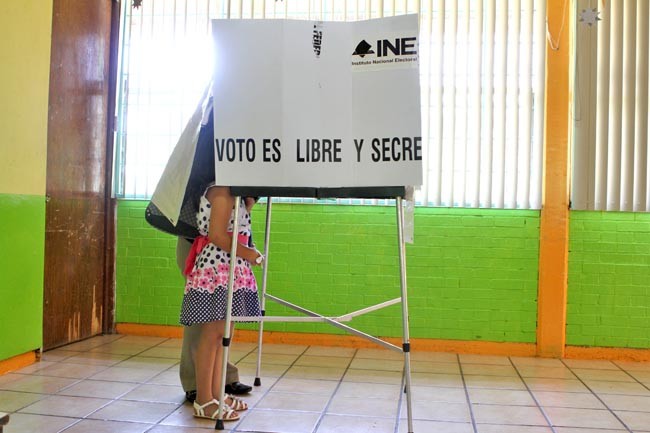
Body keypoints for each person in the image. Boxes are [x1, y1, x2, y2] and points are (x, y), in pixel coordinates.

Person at [180, 187, 262, 421]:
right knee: (213, 334)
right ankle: (204, 398)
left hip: (230, 268)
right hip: (218, 269)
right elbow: (217, 234)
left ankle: (217, 392)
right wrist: (250, 254)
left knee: (223, 334)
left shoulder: (236, 194)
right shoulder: (223, 191)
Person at [176, 237, 253, 403]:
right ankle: (197, 385)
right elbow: (216, 230)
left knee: (221, 326)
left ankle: (219, 383)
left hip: (223, 248)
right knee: (203, 323)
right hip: (200, 244)